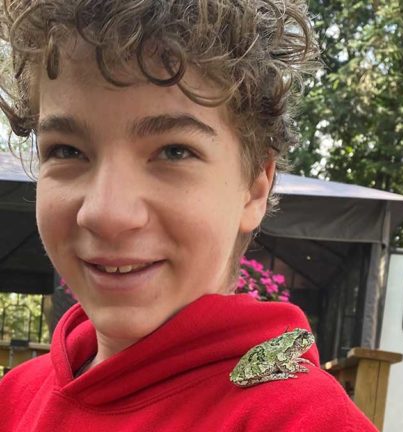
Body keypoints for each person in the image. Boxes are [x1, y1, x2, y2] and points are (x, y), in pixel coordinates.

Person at [0, 1, 377, 430]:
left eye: (174, 152)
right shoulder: (13, 397)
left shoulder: (301, 419)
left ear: (255, 187)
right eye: (67, 150)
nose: (106, 213)